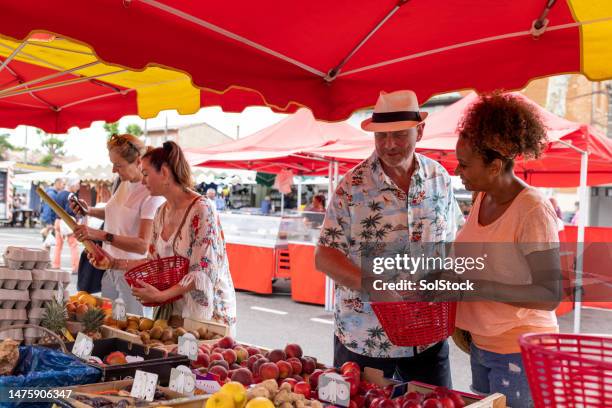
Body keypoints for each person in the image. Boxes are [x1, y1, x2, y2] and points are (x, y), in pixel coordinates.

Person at [315, 90, 462, 386]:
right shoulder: (351, 187)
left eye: (399, 135)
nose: (389, 144)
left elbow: (453, 242)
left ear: (420, 131)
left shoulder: (439, 178)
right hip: (366, 339)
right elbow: (325, 256)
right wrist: (375, 286)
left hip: (427, 335)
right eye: (381, 136)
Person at [453, 92, 561, 407]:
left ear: (495, 165)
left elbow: (548, 294)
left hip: (519, 350)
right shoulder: (480, 198)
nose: (459, 172)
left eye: (464, 165)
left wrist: (480, 286)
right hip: (482, 345)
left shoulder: (532, 209)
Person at [88, 141, 237, 334]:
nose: (143, 181)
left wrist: (161, 296)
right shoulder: (161, 213)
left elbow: (202, 273)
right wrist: (113, 263)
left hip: (208, 318)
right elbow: (153, 261)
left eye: (146, 174)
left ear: (165, 173)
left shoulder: (202, 209)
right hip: (174, 314)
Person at [72, 134, 165, 315]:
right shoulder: (124, 183)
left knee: (132, 330)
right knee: (111, 326)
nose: (114, 170)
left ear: (138, 161)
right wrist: (88, 211)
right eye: (112, 163)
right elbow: (113, 213)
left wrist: (98, 234)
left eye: (119, 165)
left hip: (134, 275)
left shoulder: (151, 194)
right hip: (111, 269)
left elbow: (142, 245)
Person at [53, 178, 81, 273]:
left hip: (57, 221)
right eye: (77, 184)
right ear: (72, 185)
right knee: (73, 245)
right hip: (68, 222)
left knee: (58, 245)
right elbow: (70, 211)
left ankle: (56, 265)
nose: (78, 187)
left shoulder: (59, 194)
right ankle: (76, 267)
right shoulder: (71, 195)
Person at [40, 178, 65, 244]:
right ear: (58, 183)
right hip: (49, 221)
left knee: (48, 242)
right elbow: (47, 208)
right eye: (63, 184)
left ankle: (46, 254)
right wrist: (48, 223)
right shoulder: (51, 194)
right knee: (47, 242)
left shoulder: (53, 193)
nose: (63, 186)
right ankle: (45, 254)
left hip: (49, 220)